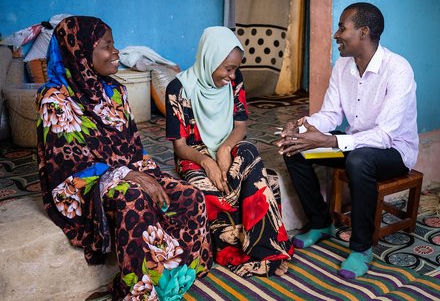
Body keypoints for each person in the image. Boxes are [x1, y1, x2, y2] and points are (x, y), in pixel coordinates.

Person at [36, 16, 213, 300]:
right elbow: (67, 167)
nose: (116, 53)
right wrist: (126, 175)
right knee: (133, 198)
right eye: (107, 46)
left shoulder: (115, 91)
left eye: (114, 45)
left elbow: (134, 149)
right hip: (83, 187)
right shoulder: (56, 101)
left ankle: (178, 276)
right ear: (80, 52)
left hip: (127, 173)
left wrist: (151, 176)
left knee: (188, 195)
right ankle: (140, 290)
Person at [277, 2, 418, 279]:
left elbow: (384, 134)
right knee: (295, 148)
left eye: (343, 27)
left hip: (393, 152)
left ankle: (362, 248)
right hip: (354, 144)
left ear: (363, 32)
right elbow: (331, 114)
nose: (336, 34)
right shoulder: (343, 66)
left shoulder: (398, 69)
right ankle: (321, 223)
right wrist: (304, 126)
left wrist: (331, 142)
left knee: (359, 160)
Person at [165, 26, 293, 278]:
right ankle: (236, 250)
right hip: (194, 154)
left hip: (228, 145)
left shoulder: (235, 81)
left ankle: (265, 250)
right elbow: (180, 146)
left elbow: (241, 126)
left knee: (249, 153)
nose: (232, 76)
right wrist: (207, 162)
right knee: (211, 192)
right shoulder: (178, 89)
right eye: (227, 69)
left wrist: (224, 149)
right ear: (208, 59)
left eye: (235, 69)